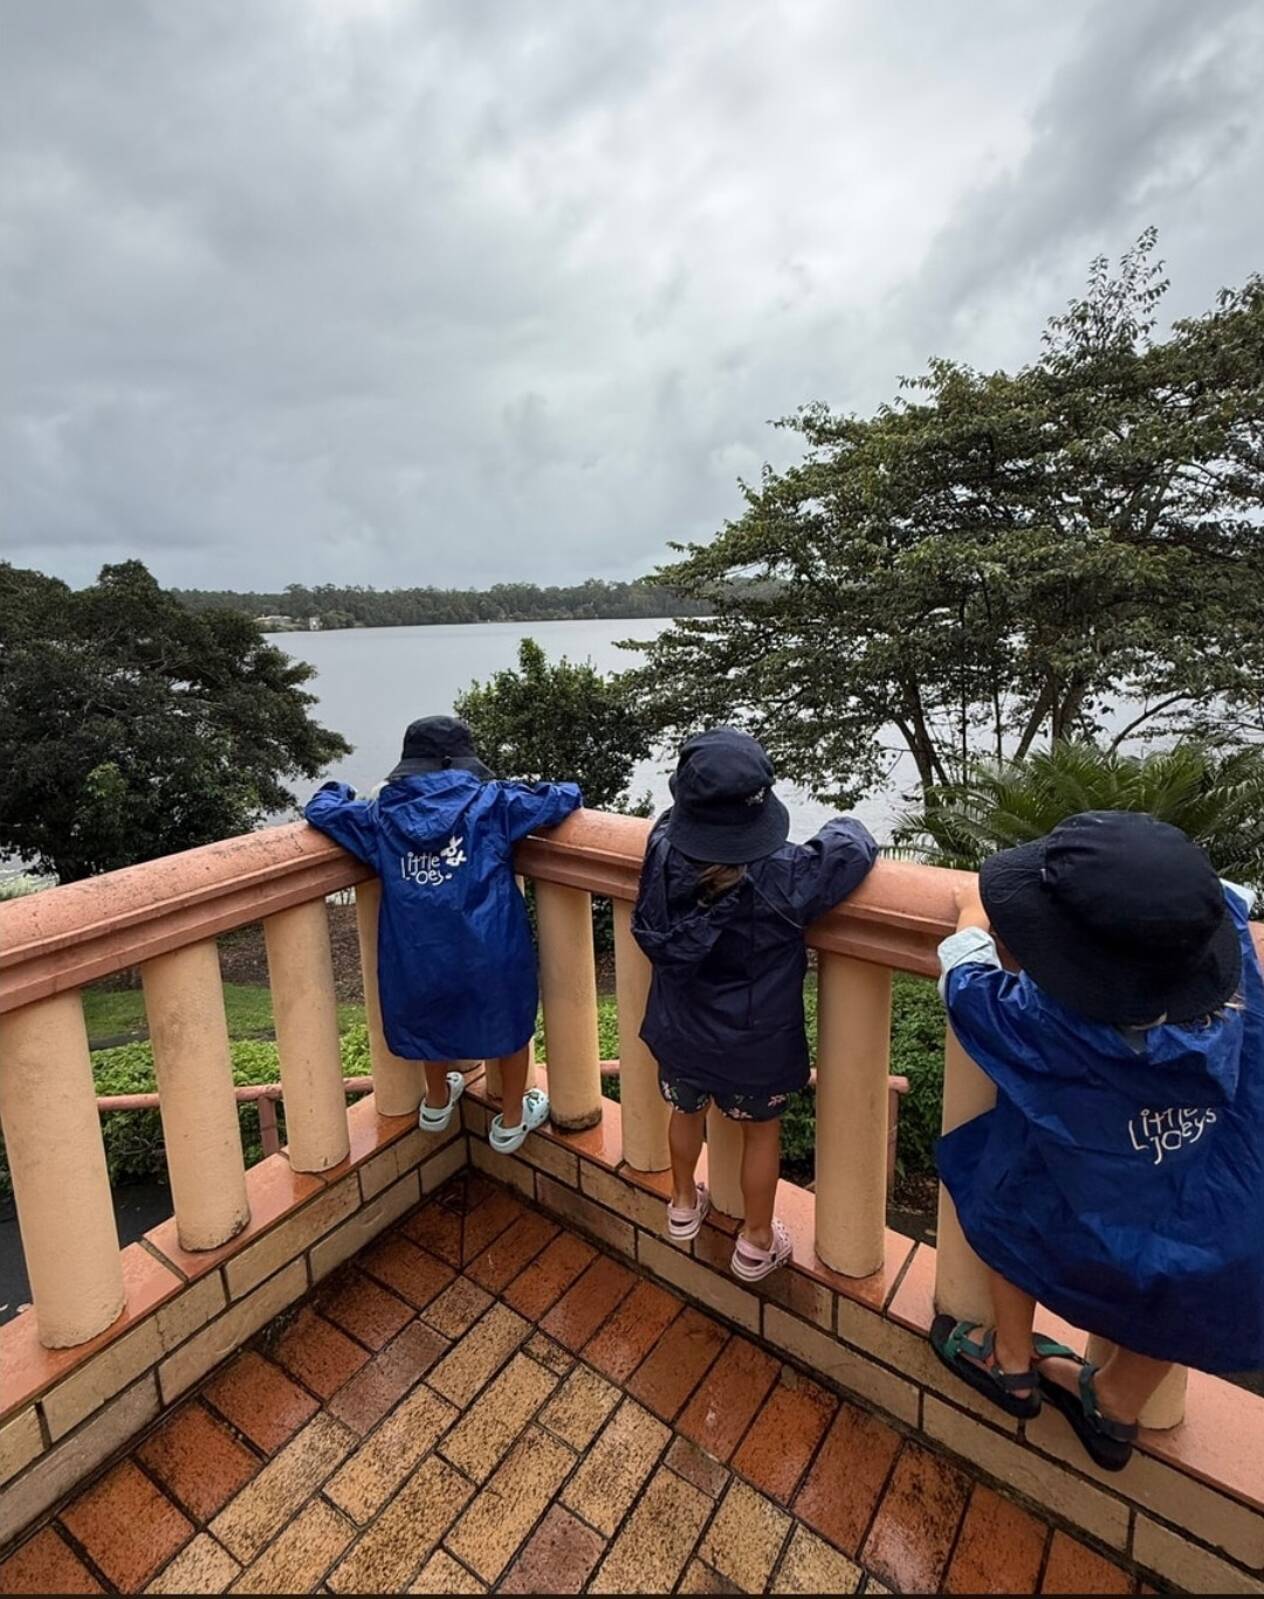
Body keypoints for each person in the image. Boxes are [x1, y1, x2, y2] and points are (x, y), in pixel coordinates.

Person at [931, 810, 1264, 1472]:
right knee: (1190, 1286)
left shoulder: (1048, 1021)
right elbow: (1229, 903)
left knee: (1007, 1201)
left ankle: (1013, 1363)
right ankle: (1114, 1406)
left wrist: (972, 911)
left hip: (1078, 1205)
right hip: (1210, 1214)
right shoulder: (1234, 977)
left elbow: (967, 987)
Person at [632, 727, 878, 1279]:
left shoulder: (663, 852)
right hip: (755, 1046)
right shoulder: (788, 873)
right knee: (760, 1134)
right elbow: (852, 848)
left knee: (684, 1110)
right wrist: (844, 821)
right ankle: (756, 1240)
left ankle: (680, 1205)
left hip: (681, 1033)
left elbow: (667, 826)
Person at [305, 715, 582, 1151]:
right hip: (489, 946)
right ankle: (511, 1120)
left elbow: (321, 810)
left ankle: (436, 1102)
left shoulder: (382, 813)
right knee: (508, 1025)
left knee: (427, 1016)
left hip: (417, 949)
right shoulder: (493, 802)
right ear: (460, 762)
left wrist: (337, 789)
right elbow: (565, 797)